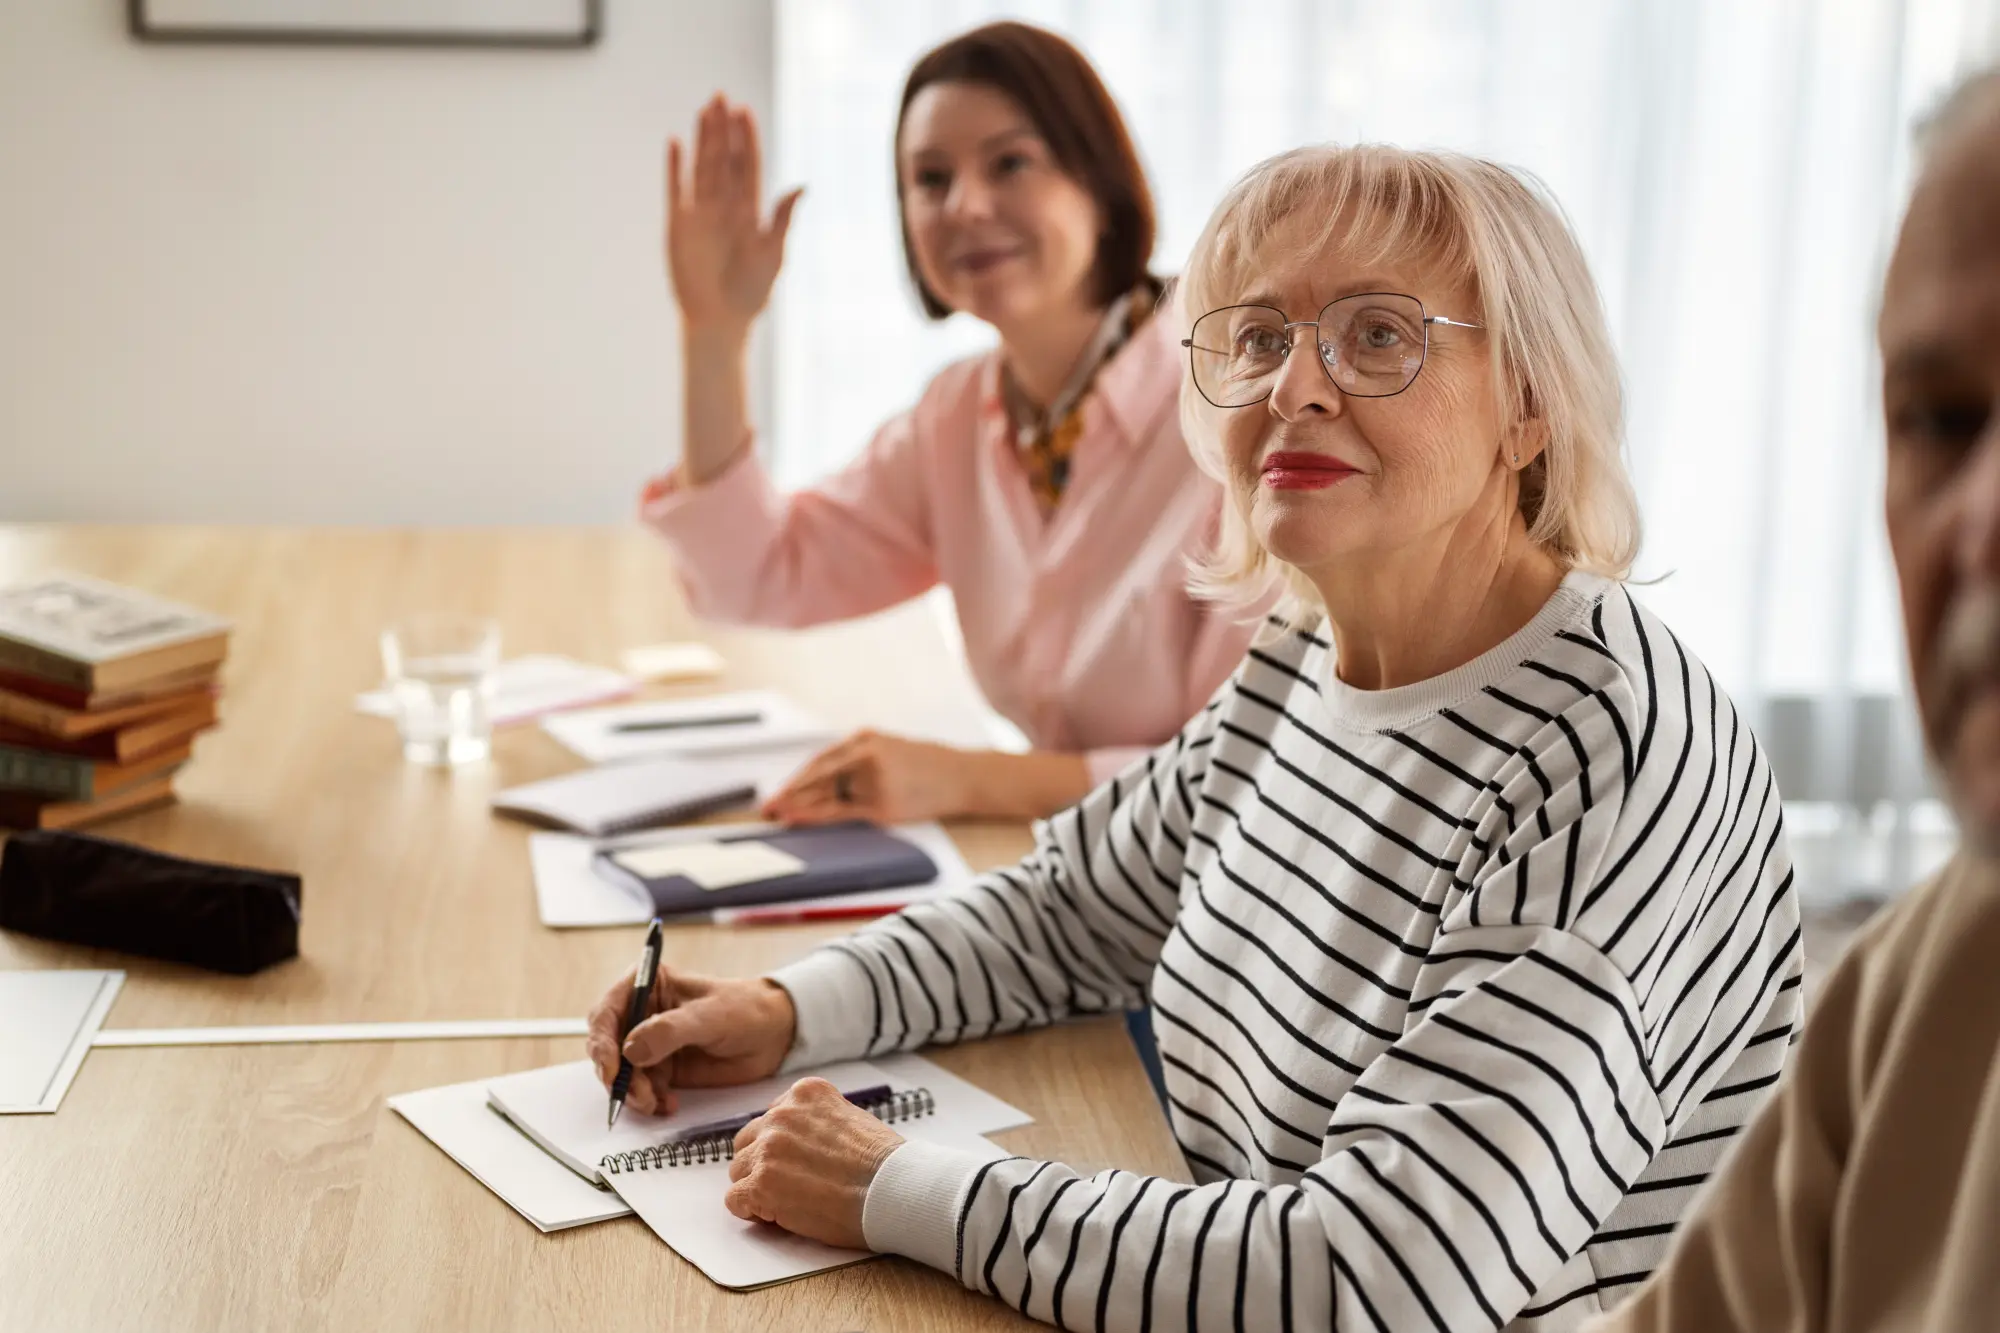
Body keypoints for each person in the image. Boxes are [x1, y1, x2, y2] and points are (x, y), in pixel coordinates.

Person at [589, 144, 1804, 1331]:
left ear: (1530, 405)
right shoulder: (1302, 650)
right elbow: (1076, 908)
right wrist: (791, 1007)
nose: (1295, 387)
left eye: (1377, 334)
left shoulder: (1607, 751)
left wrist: (895, 1186)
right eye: (1258, 337)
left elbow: (1379, 1280)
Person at [1578, 66, 2000, 1333]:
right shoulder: (1937, 966)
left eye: (1378, 338)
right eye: (1937, 420)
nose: (1977, 522)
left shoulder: (1599, 717)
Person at [643, 22, 1257, 826]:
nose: (965, 205)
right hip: (1065, 874)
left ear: (1098, 182)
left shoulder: (1243, 408)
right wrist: (715, 336)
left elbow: (1252, 772)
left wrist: (971, 781)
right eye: (930, 180)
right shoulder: (958, 418)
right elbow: (756, 574)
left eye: (1010, 163)